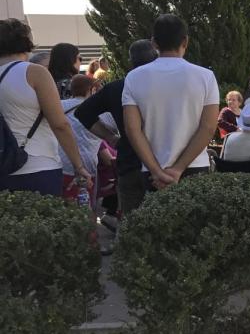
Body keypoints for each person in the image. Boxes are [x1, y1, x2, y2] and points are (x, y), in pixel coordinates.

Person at [123, 14, 219, 191]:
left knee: (156, 219)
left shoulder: (133, 78)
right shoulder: (205, 77)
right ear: (185, 41)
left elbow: (132, 129)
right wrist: (178, 169)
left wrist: (156, 171)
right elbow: (208, 127)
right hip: (195, 165)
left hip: (152, 171)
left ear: (154, 43)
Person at [0, 19, 91, 195]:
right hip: (37, 166)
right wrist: (78, 165)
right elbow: (60, 124)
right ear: (26, 42)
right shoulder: (34, 72)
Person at [75, 39, 159, 217]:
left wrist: (111, 137)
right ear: (156, 58)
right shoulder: (164, 85)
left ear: (130, 60)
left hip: (129, 160)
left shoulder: (117, 87)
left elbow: (83, 112)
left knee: (131, 221)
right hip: (161, 161)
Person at [58, 75, 112, 203]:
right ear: (92, 90)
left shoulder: (59, 106)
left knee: (63, 210)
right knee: (85, 209)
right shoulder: (101, 111)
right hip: (86, 170)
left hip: (60, 165)